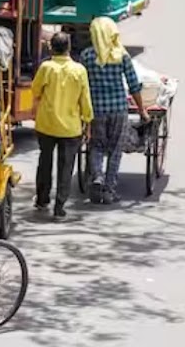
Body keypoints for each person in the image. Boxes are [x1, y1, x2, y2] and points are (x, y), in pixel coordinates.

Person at [79, 17, 149, 204]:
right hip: (118, 109)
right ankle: (109, 190)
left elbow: (82, 85)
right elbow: (134, 86)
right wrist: (142, 110)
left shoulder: (86, 56)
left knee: (96, 146)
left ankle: (97, 177)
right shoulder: (121, 56)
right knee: (115, 149)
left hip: (96, 110)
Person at [31, 32, 94, 220]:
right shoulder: (79, 70)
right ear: (69, 48)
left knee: (45, 162)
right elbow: (85, 100)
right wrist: (88, 123)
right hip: (71, 127)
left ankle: (42, 200)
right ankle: (59, 206)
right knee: (66, 167)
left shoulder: (46, 67)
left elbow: (35, 90)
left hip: (46, 125)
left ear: (51, 48)